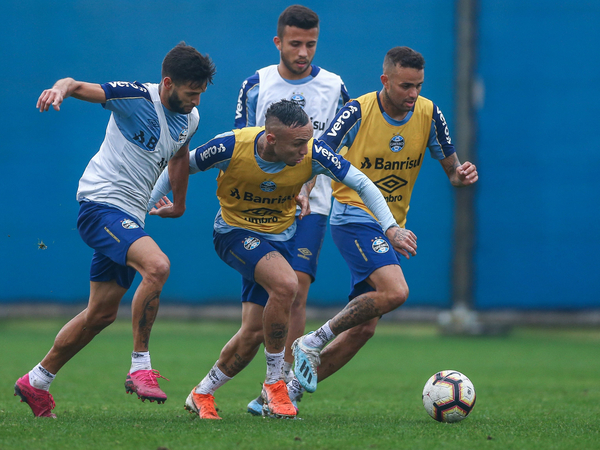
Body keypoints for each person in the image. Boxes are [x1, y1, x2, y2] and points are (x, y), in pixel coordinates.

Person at [148, 100, 408, 419]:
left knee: (254, 333)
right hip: (233, 234)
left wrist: (391, 228)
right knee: (287, 284)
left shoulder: (312, 154)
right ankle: (275, 385)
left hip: (279, 240)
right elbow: (180, 163)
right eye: (298, 143)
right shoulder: (230, 146)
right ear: (271, 139)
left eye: (308, 141)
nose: (305, 150)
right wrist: (147, 207)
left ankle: (201, 392)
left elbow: (362, 183)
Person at [14, 43, 216, 418]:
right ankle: (140, 367)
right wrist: (60, 89)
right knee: (157, 266)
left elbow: (179, 157)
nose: (196, 99)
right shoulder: (135, 97)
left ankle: (36, 381)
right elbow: (75, 84)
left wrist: (181, 203)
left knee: (101, 314)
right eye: (191, 91)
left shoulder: (191, 117)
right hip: (100, 206)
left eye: (201, 91)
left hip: (130, 219)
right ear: (168, 83)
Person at [290, 46, 479, 400]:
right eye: (406, 85)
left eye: (419, 86)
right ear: (385, 80)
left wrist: (461, 173)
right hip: (353, 216)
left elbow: (453, 170)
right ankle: (312, 340)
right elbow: (316, 156)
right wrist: (304, 191)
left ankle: (287, 392)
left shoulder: (429, 114)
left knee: (364, 330)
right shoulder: (356, 112)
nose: (413, 94)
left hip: (391, 224)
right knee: (396, 292)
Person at [233, 4, 349, 415]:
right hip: (259, 208)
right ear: (278, 42)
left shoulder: (335, 87)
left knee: (296, 289)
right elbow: (242, 145)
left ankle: (277, 386)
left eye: (311, 44)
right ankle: (217, 384)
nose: (303, 52)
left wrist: (310, 181)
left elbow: (338, 148)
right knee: (258, 310)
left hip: (312, 206)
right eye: (295, 43)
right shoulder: (256, 84)